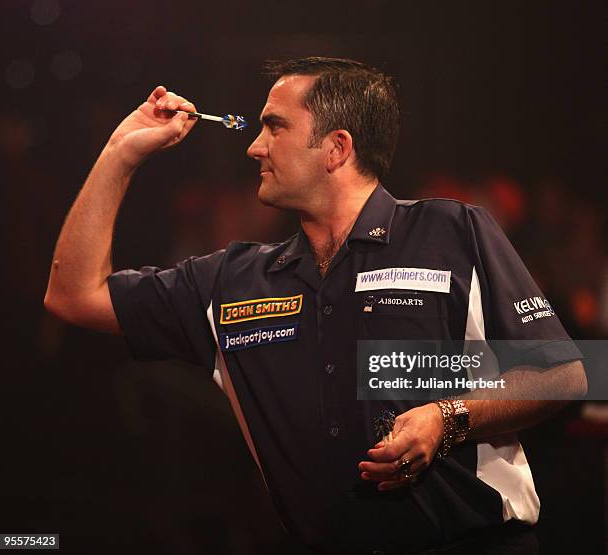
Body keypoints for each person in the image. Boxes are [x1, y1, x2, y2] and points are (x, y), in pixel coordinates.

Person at [45, 57, 587, 555]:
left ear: (337, 148)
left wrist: (447, 417)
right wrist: (120, 152)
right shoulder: (231, 280)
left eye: (274, 127)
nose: (255, 147)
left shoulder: (453, 231)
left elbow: (565, 374)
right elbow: (73, 296)